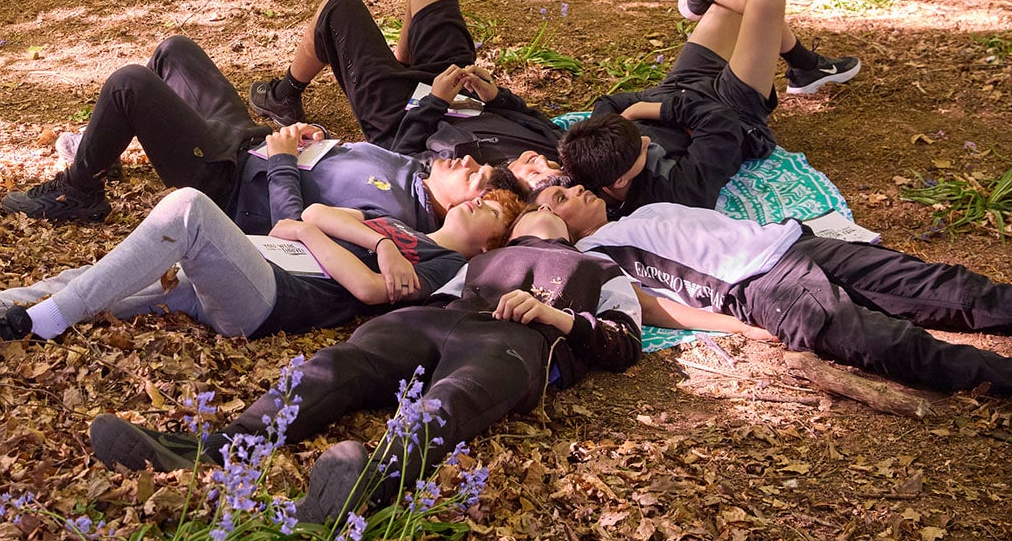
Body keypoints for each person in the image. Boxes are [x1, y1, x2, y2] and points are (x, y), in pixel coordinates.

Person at [86, 209, 643, 522]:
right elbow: (420, 295)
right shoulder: (480, 259)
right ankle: (209, 448)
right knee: (342, 363)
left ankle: (360, 489)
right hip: (435, 316)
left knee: (457, 397)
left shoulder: (602, 268)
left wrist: (560, 319)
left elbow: (625, 344)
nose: (555, 198)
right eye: (546, 195)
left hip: (519, 338)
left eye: (566, 195)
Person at [535, 185, 1012, 435]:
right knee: (900, 347)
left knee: (953, 292)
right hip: (765, 290)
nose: (576, 193)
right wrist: (741, 326)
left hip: (798, 243)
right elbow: (654, 310)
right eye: (560, 196)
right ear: (545, 227)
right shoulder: (595, 259)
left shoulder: (643, 209)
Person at [0, 183, 526, 363]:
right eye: (484, 193)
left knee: (188, 208)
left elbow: (372, 295)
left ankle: (36, 327)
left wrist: (355, 252)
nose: (480, 200)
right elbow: (299, 218)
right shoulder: (398, 230)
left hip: (266, 298)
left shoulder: (441, 265)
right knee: (92, 274)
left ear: (495, 240)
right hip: (250, 260)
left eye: (496, 209)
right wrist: (371, 243)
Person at [0, 35, 522, 230]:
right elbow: (357, 156)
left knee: (129, 86)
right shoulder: (412, 171)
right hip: (247, 139)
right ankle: (118, 144)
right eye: (477, 164)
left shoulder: (397, 223)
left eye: (474, 178)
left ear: (463, 212)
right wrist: (313, 135)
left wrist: (286, 160)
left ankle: (80, 189)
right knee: (174, 53)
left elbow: (296, 231)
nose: (466, 163)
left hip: (226, 181)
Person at [557, 0, 860, 215]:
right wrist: (648, 111)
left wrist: (652, 109)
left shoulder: (591, 150)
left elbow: (610, 101)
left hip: (682, 84)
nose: (647, 141)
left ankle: (804, 66)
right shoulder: (676, 192)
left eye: (638, 136)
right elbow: (720, 125)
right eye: (642, 151)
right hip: (734, 108)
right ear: (620, 181)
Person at [246, 0, 565, 168]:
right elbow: (535, 119)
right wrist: (497, 97)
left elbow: (401, 158)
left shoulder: (515, 185)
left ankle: (284, 94)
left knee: (340, 6)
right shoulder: (563, 147)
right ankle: (400, 68)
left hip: (404, 119)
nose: (541, 163)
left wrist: (434, 103)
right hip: (463, 96)